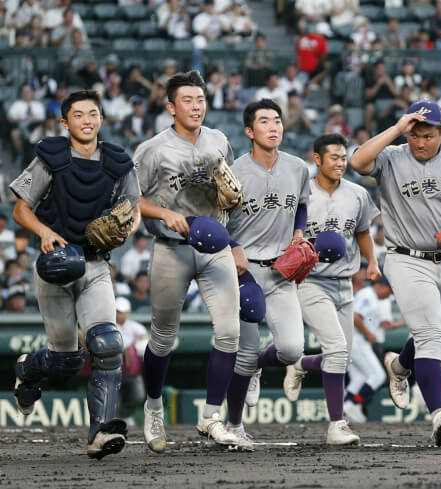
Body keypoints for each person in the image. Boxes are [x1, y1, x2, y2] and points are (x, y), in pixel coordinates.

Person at [349, 100, 441, 446]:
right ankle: (438, 415)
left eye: (427, 135)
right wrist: (397, 128)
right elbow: (357, 161)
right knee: (431, 334)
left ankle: (399, 367)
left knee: (438, 335)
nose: (420, 142)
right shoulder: (391, 156)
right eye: (415, 135)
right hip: (405, 258)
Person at [11, 89, 142, 458]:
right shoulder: (50, 157)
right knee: (67, 359)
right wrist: (44, 232)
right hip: (55, 265)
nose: (87, 120)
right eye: (79, 115)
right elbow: (21, 209)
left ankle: (99, 433)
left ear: (102, 118)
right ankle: (29, 369)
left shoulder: (117, 161)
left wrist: (126, 229)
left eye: (94, 113)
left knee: (107, 343)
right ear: (65, 122)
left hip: (95, 264)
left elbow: (133, 209)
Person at [134, 70, 241, 452]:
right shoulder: (153, 149)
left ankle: (211, 416)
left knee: (230, 332)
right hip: (171, 247)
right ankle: (153, 407)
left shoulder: (219, 141)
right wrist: (163, 215)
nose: (196, 106)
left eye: (200, 100)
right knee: (163, 338)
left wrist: (233, 208)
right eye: (187, 101)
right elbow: (133, 201)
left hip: (215, 245)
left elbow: (232, 193)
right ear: (170, 107)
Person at [283, 133, 381, 444]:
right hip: (310, 280)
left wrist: (372, 262)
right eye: (334, 158)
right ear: (317, 159)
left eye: (343, 157)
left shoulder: (356, 194)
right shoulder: (301, 193)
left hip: (344, 283)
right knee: (337, 351)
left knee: (343, 356)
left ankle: (299, 363)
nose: (340, 163)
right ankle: (337, 424)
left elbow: (364, 231)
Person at [223, 98, 310, 451]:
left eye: (277, 120)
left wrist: (300, 231)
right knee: (243, 354)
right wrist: (231, 244)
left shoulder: (298, 167)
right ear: (249, 131)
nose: (274, 126)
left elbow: (302, 204)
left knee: (291, 350)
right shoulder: (234, 170)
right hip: (244, 272)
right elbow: (216, 219)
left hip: (281, 270)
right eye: (264, 121)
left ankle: (259, 365)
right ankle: (233, 425)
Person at [343, 272, 393, 423]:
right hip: (358, 340)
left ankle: (346, 406)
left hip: (353, 341)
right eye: (389, 291)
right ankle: (354, 403)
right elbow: (355, 316)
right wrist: (368, 333)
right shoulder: (368, 295)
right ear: (382, 286)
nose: (388, 295)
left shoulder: (369, 295)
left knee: (359, 378)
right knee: (378, 376)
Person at [114, 297, 148, 427]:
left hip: (132, 370)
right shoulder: (109, 326)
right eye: (117, 311)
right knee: (113, 400)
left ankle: (125, 416)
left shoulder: (135, 326)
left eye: (122, 312)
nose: (120, 315)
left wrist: (138, 342)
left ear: (128, 312)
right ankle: (114, 421)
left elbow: (144, 344)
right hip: (113, 370)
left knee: (138, 395)